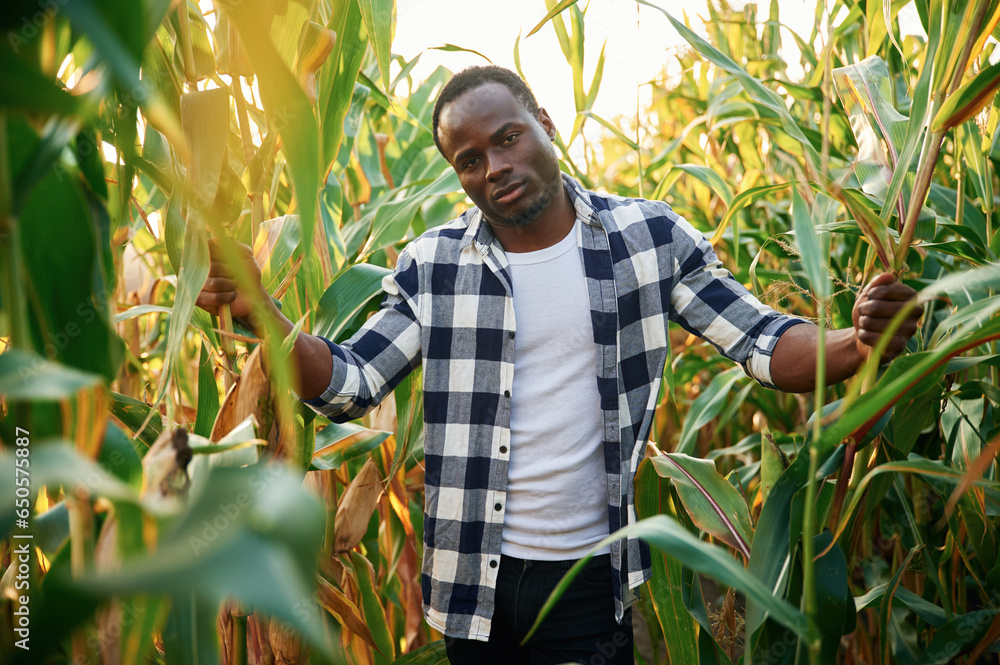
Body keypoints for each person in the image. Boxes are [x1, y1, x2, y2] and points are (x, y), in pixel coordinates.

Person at [196, 65, 920, 664]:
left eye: (508, 137)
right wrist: (266, 312)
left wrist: (858, 344)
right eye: (470, 160)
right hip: (470, 586)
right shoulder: (436, 265)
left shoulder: (649, 239)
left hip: (586, 581)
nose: (496, 168)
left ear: (545, 119)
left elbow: (763, 344)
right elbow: (351, 385)